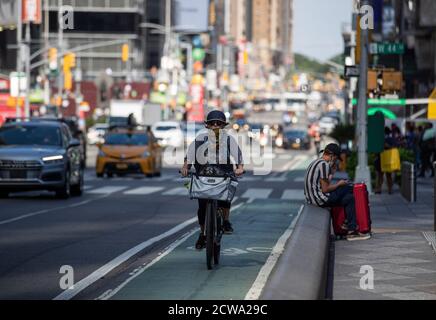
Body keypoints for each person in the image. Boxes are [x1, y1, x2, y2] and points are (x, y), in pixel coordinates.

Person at [181, 110, 244, 250]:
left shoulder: (229, 139)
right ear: (207, 126)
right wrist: (186, 167)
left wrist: (239, 168)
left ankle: (226, 221)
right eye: (212, 123)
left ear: (223, 126)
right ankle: (203, 234)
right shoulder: (200, 139)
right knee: (202, 208)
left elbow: (237, 154)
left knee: (225, 199)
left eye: (219, 123)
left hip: (223, 175)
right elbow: (190, 155)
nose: (215, 125)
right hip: (203, 176)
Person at [304, 143, 370, 241]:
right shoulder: (324, 165)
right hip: (320, 199)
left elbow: (324, 185)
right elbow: (325, 189)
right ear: (332, 156)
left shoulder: (316, 162)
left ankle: (351, 230)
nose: (335, 161)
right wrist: (339, 184)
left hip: (314, 199)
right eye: (336, 158)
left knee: (349, 198)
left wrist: (332, 173)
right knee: (349, 188)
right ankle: (350, 225)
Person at [374, 127, 397, 194]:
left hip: (382, 159)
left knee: (381, 175)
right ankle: (388, 189)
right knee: (387, 175)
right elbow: (394, 147)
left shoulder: (385, 139)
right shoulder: (390, 139)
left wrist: (386, 146)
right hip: (387, 159)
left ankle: (379, 189)